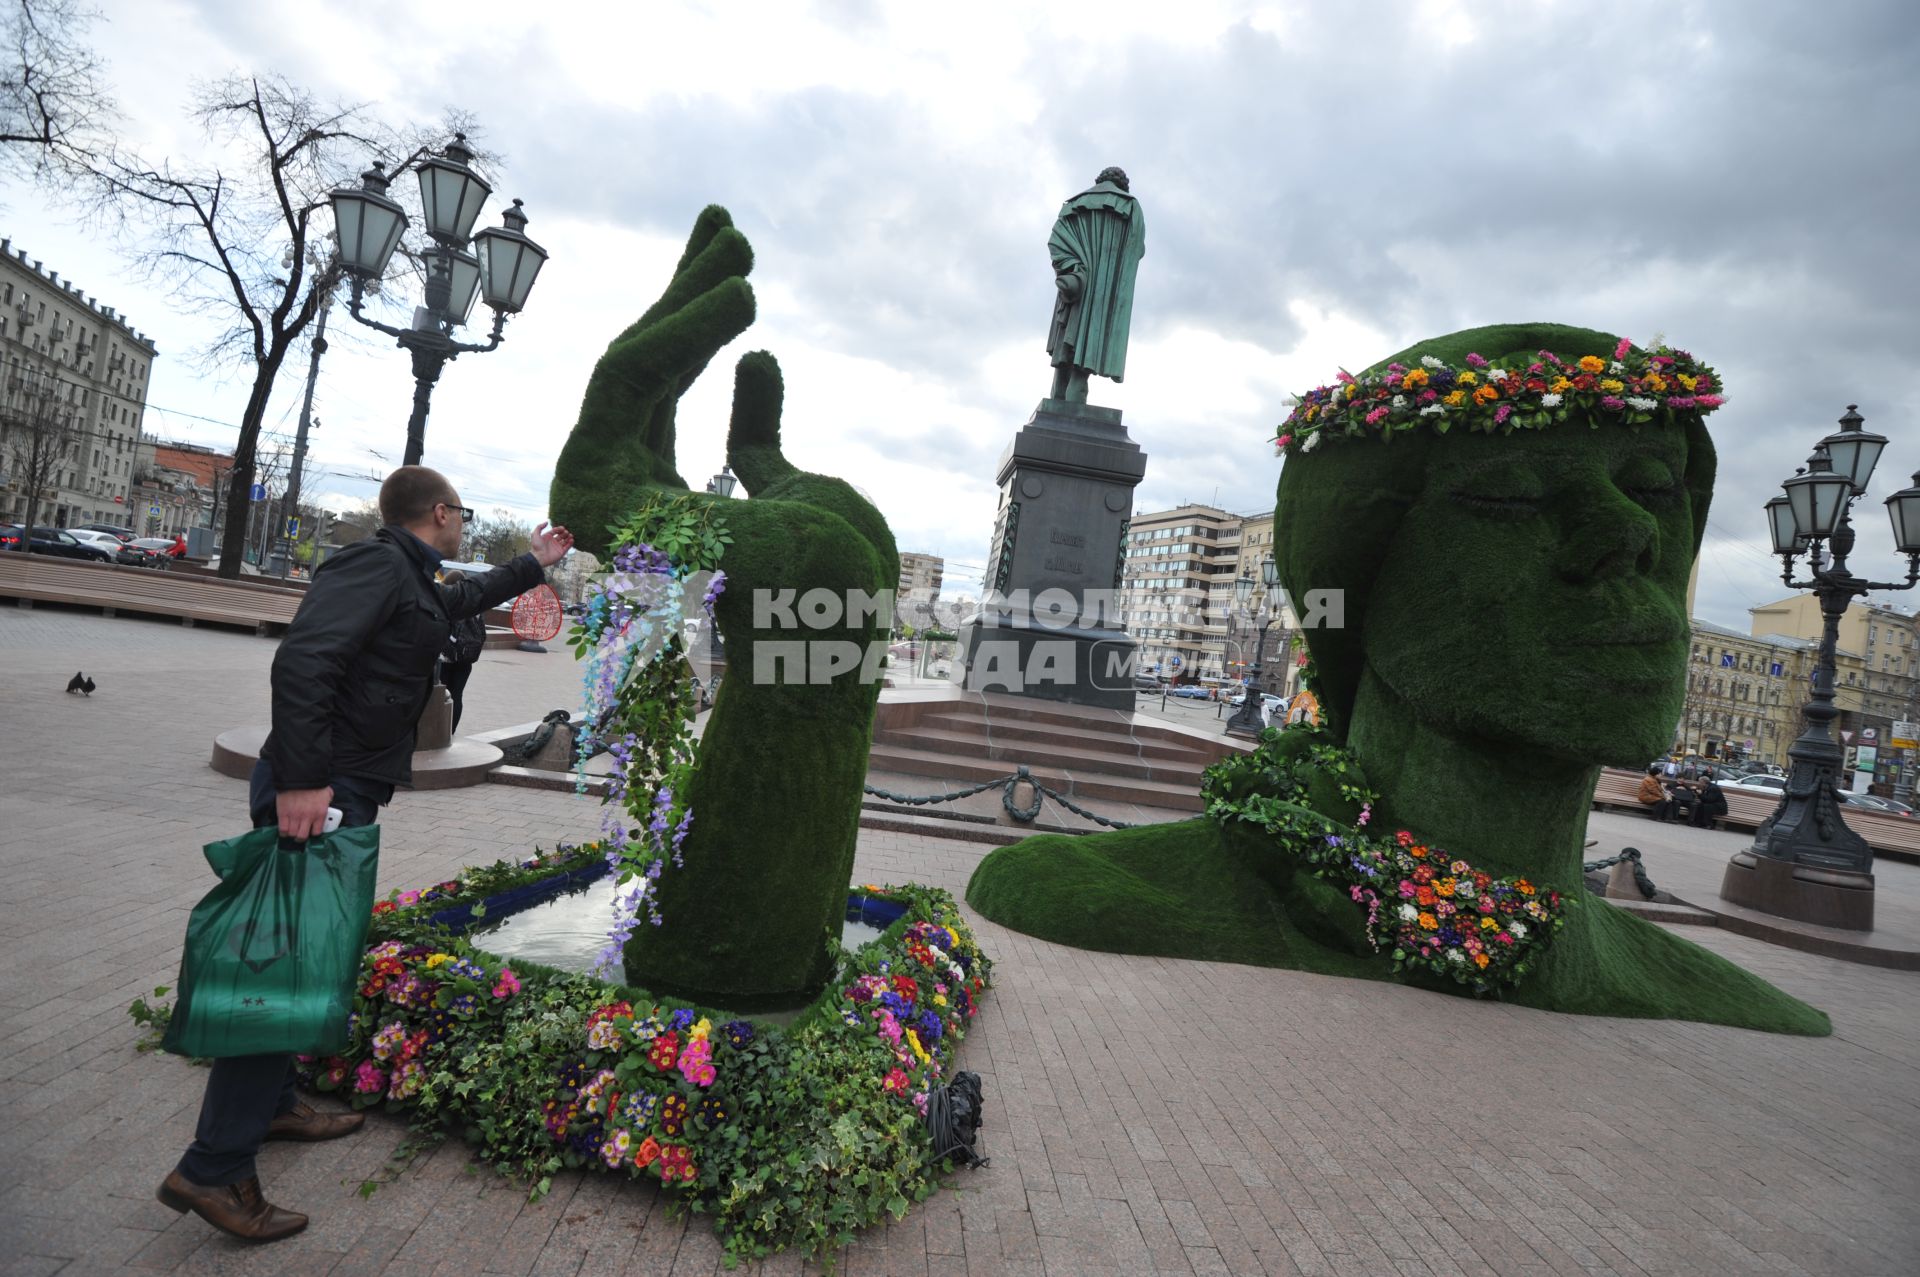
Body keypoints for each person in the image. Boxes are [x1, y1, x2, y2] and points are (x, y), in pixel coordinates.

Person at [156, 466, 572, 1242]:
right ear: (442, 512)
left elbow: (458, 601)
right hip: (321, 786)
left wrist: (534, 562)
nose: (463, 525)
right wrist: (306, 781)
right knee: (281, 972)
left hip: (341, 782)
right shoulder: (376, 566)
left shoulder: (411, 576)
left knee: (303, 954)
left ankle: (274, 1103)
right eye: (463, 514)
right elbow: (304, 662)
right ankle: (214, 1169)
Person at [438, 569, 488, 732]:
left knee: (439, 696)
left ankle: (439, 732)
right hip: (466, 658)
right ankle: (450, 732)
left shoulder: (447, 602)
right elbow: (481, 632)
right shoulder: (474, 605)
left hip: (445, 658)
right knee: (457, 695)